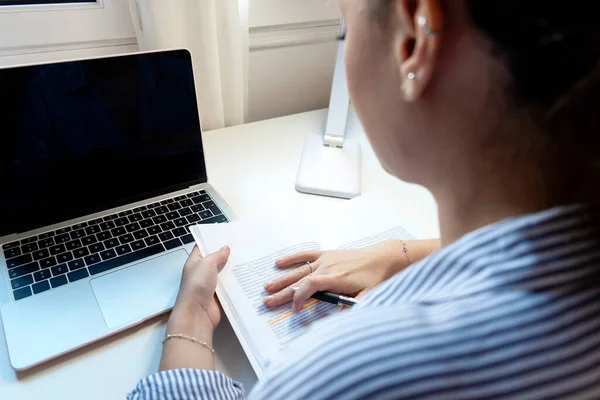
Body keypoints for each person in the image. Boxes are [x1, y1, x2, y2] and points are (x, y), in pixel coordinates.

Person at [129, 0, 600, 398]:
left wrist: (189, 321)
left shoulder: (344, 375)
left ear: (415, 38)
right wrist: (400, 254)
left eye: (346, 29)